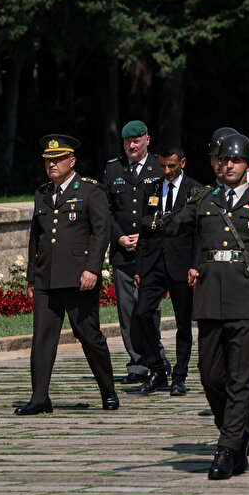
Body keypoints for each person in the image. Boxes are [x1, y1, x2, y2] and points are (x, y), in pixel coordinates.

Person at [151, 133, 249, 479]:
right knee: (210, 376)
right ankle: (240, 428)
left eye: (235, 160)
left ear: (248, 164)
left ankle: (225, 449)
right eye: (222, 160)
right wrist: (146, 213)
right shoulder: (203, 200)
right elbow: (171, 226)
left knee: (240, 379)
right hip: (210, 300)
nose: (228, 166)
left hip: (246, 300)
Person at [15, 135, 119, 416]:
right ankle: (39, 398)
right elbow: (35, 239)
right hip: (47, 279)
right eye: (48, 160)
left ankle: (108, 390)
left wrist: (93, 268)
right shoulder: (42, 194)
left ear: (72, 161)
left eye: (57, 159)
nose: (51, 164)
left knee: (89, 336)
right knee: (42, 338)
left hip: (78, 279)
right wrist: (31, 278)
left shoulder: (90, 191)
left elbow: (101, 232)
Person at [103, 119, 169, 383]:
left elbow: (168, 206)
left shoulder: (159, 167)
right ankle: (138, 363)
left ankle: (157, 359)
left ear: (147, 140)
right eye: (127, 141)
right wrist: (118, 237)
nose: (132, 145)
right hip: (123, 251)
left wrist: (145, 235)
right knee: (127, 310)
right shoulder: (113, 168)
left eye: (137, 140)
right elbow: (105, 210)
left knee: (149, 308)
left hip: (151, 250)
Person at [133, 144, 201, 397]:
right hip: (153, 263)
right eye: (162, 166)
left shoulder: (195, 190)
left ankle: (179, 376)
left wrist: (195, 265)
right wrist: (139, 266)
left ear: (182, 162)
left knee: (183, 323)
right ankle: (157, 367)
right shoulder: (150, 188)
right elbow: (144, 228)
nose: (167, 170)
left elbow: (199, 232)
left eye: (171, 165)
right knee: (142, 312)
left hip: (182, 264)